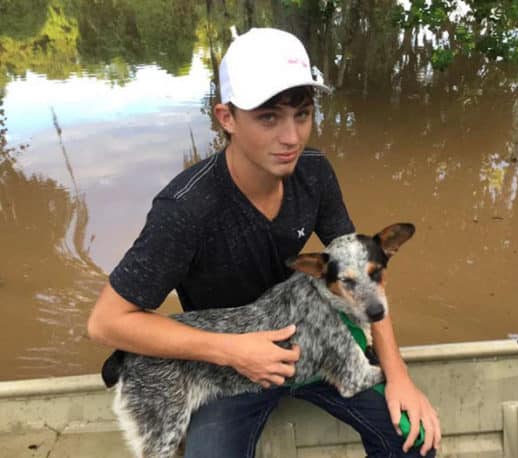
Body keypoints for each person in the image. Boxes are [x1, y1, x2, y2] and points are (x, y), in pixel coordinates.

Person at [87, 27, 441, 457]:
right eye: (269, 117)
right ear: (227, 118)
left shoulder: (315, 174)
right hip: (225, 374)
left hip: (319, 355)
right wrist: (233, 350)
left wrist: (397, 372)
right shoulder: (186, 209)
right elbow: (105, 322)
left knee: (412, 441)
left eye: (303, 114)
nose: (291, 137)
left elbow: (361, 265)